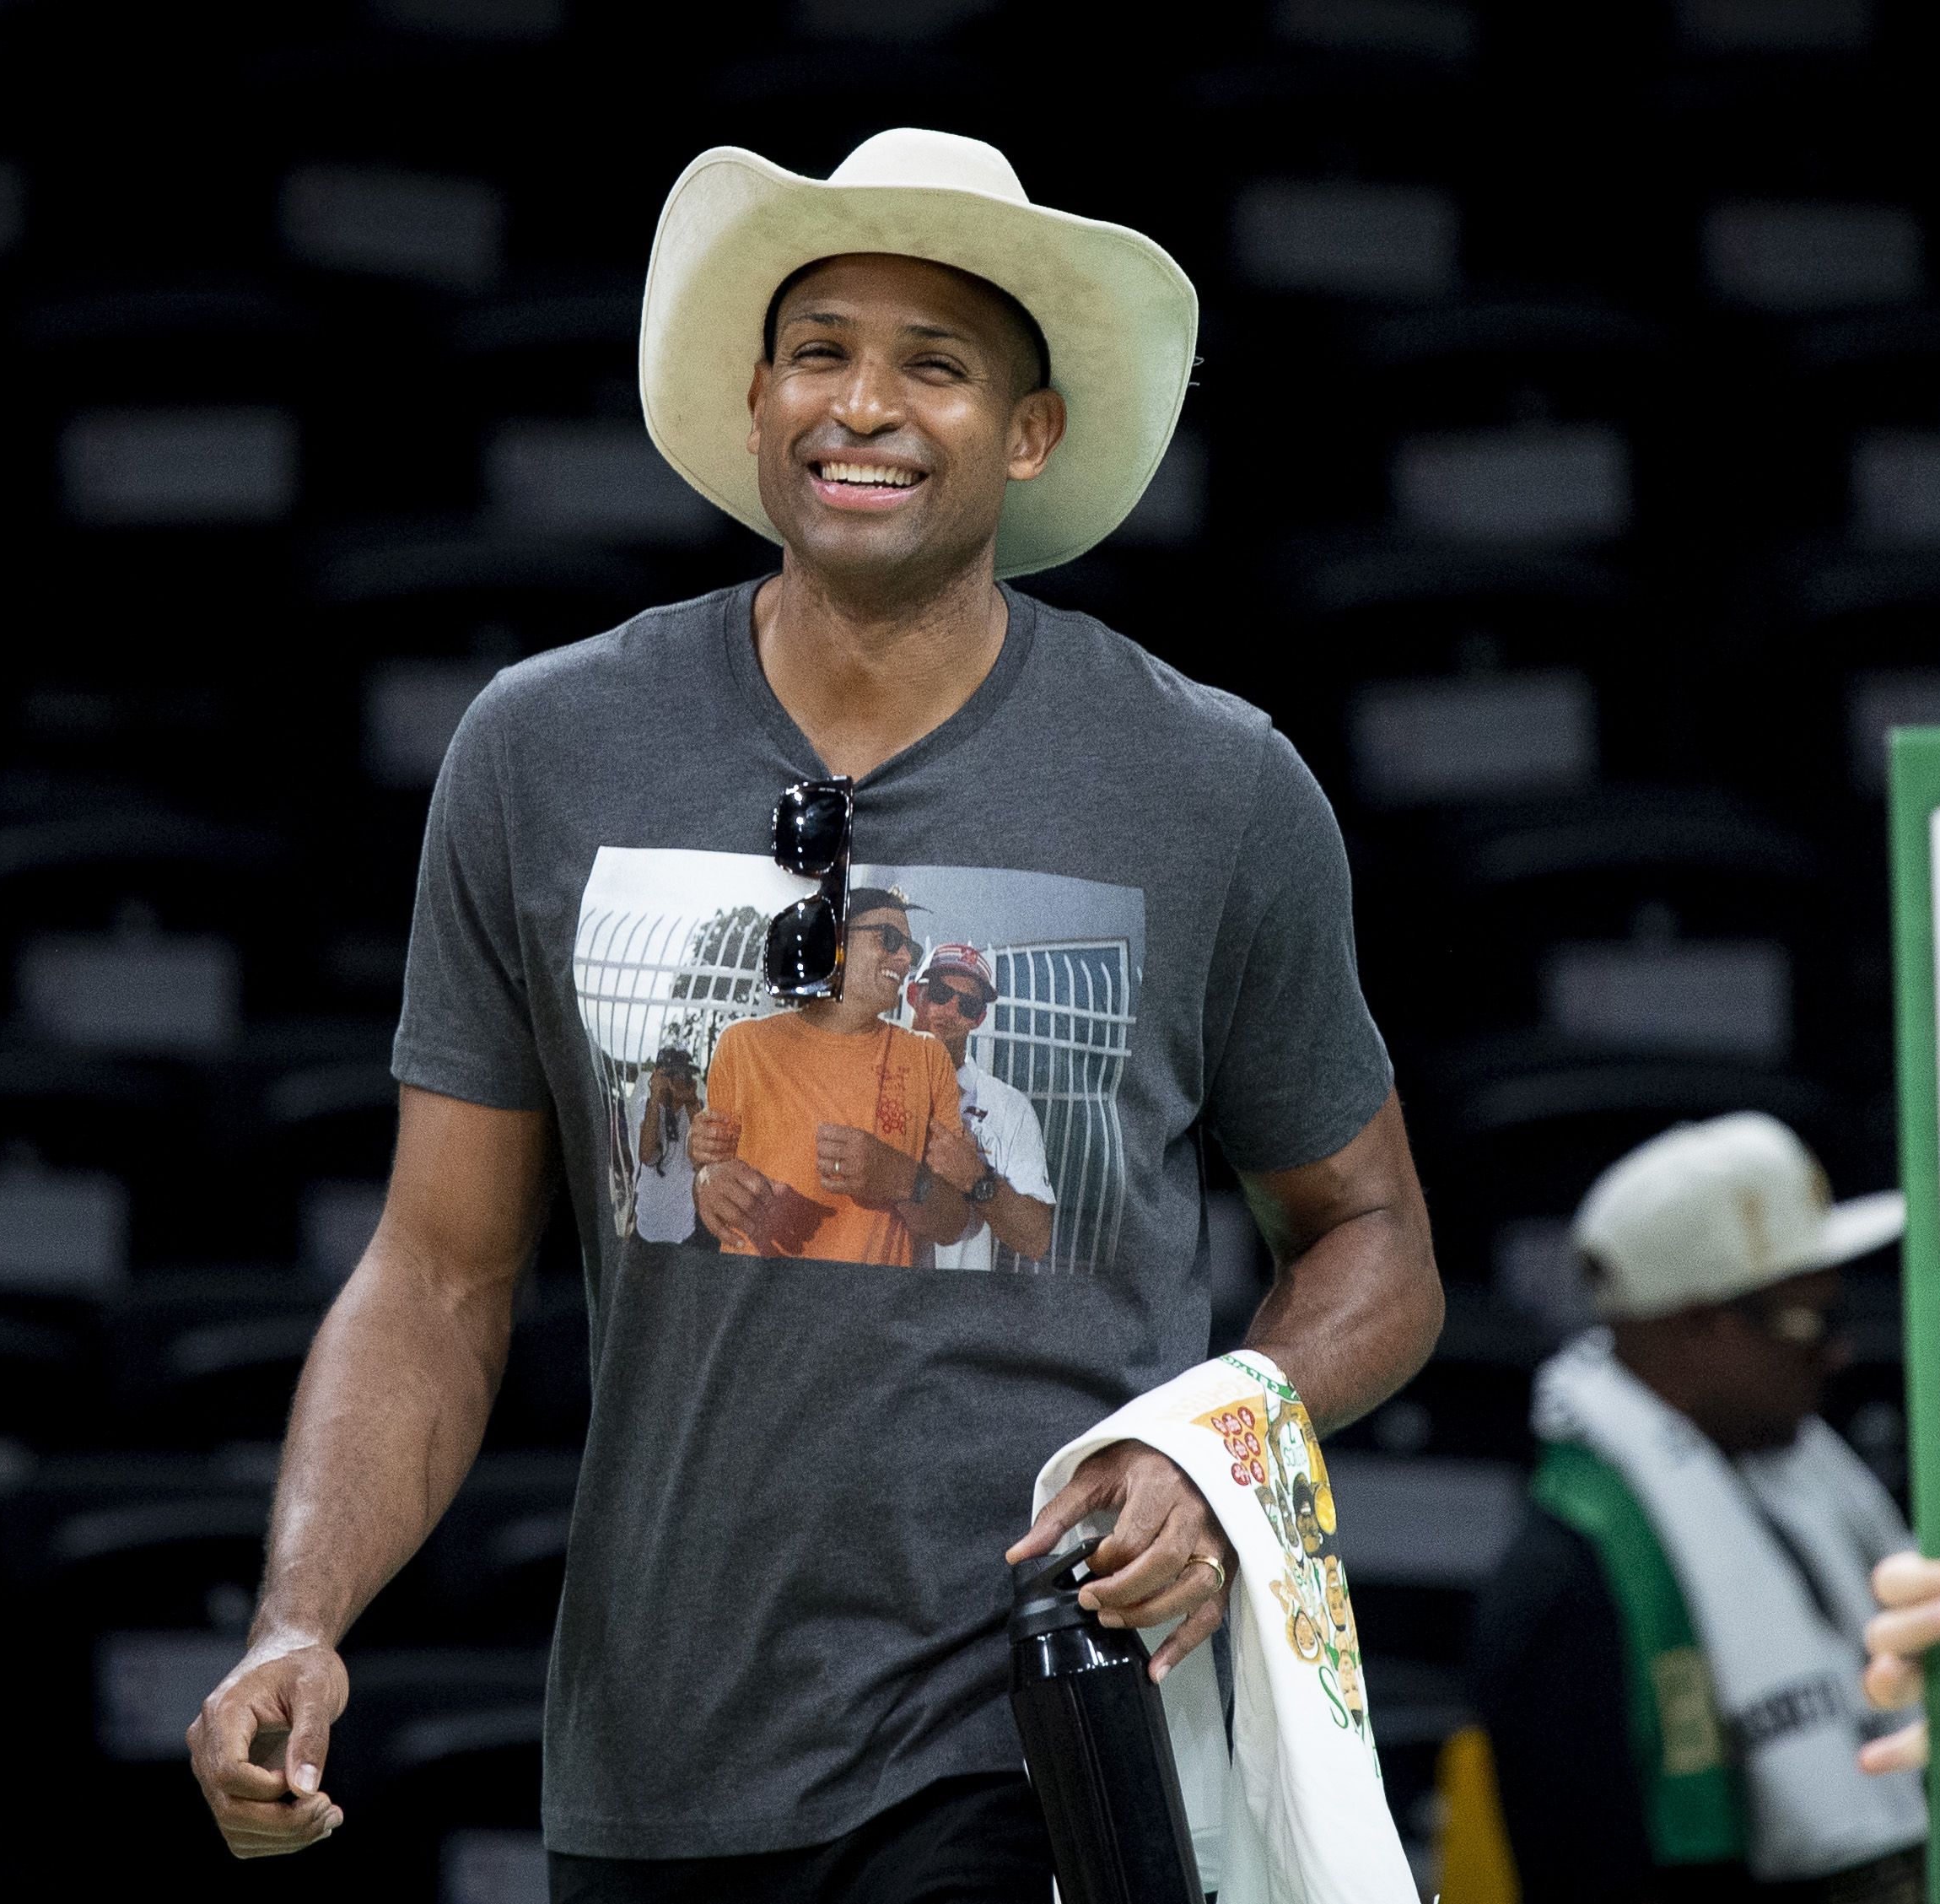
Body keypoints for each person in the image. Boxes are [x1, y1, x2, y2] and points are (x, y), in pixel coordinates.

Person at [186, 127, 1442, 1904]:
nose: (865, 404)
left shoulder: (1210, 783)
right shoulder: (542, 753)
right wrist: (295, 1618)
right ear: (759, 397)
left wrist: (1216, 1435)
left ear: (1026, 435)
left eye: (934, 364)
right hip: (655, 1766)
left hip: (1035, 1732)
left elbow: (1375, 1240)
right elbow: (438, 1272)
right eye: (822, 350)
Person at [1463, 1113, 1927, 1903]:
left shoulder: (1804, 1481)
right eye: (1812, 1322)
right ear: (1699, 1327)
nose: (1838, 1350)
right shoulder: (1567, 1579)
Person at [690, 886, 972, 1266]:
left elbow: (953, 1223)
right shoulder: (743, 1046)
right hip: (762, 1305)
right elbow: (712, 1170)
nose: (905, 959)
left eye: (911, 949)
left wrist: (902, 1177)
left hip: (873, 1314)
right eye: (889, 940)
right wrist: (706, 1184)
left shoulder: (928, 1058)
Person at [900, 941, 1057, 1270]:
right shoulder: (873, 1073)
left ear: (980, 1018)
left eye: (968, 1004)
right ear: (916, 995)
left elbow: (1037, 1239)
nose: (952, 1010)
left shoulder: (1009, 1109)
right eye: (941, 993)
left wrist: (976, 1179)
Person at [628, 1048, 703, 1244]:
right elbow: (647, 1155)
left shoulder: (695, 1110)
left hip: (684, 1228)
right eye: (670, 1074)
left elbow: (702, 1161)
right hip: (647, 1225)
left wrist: (692, 1101)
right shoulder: (645, 1106)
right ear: (657, 1075)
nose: (676, 1081)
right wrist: (655, 1098)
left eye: (682, 1074)